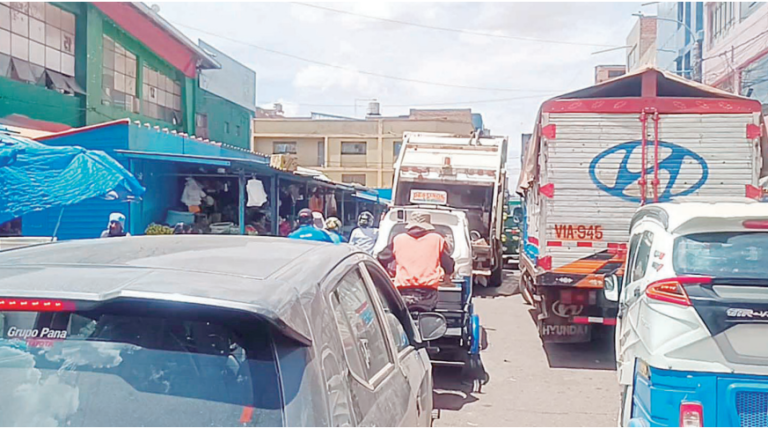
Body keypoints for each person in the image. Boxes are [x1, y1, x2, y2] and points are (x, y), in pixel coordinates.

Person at [377, 211, 454, 311]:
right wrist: (447, 275)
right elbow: (448, 264)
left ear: (411, 226)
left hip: (403, 290)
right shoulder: (437, 239)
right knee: (427, 316)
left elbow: (381, 258)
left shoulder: (399, 239)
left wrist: (386, 274)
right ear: (427, 227)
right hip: (427, 293)